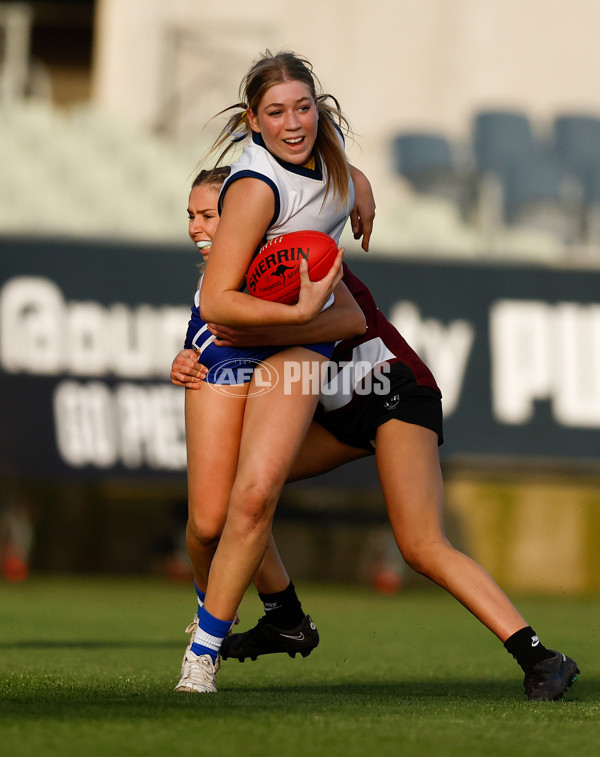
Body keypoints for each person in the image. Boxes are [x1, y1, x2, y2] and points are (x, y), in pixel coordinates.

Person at [172, 165, 579, 701]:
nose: (199, 227)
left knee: (420, 544)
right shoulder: (220, 288)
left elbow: (347, 323)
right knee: (232, 496)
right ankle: (285, 618)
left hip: (394, 393)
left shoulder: (297, 258)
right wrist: (187, 360)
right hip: (337, 414)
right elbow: (226, 348)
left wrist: (356, 182)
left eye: (210, 214)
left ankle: (541, 657)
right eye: (192, 217)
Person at [174, 50, 372, 694]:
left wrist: (362, 186)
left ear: (322, 108)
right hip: (234, 340)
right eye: (276, 112)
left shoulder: (327, 146)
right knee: (207, 523)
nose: (294, 123)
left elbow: (338, 168)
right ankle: (233, 612)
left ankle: (203, 653)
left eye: (305, 107)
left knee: (254, 496)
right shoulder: (258, 187)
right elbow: (218, 302)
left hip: (294, 348)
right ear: (253, 123)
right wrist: (305, 314)